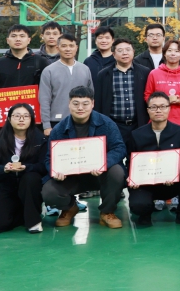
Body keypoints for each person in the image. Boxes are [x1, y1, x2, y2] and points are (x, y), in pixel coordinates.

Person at [42, 86, 128, 229]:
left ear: (92, 103)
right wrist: (55, 171)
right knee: (49, 192)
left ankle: (107, 212)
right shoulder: (58, 129)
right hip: (71, 177)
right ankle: (69, 208)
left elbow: (119, 148)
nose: (80, 108)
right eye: (76, 104)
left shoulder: (106, 123)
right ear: (69, 104)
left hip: (99, 174)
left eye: (85, 104)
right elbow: (49, 158)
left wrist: (103, 163)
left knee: (117, 172)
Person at [127, 91, 180, 227]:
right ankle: (145, 213)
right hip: (145, 184)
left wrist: (172, 175)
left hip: (171, 183)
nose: (158, 110)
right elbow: (131, 163)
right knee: (138, 206)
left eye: (163, 106)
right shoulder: (136, 135)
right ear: (148, 110)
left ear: (169, 108)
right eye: (154, 107)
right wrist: (132, 178)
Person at [0, 104, 47, 234]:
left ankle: (33, 221)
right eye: (17, 116)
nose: (21, 119)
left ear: (31, 119)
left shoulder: (40, 139)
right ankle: (21, 213)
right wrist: (4, 169)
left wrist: (27, 167)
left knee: (31, 178)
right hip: (6, 187)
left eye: (26, 116)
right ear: (9, 119)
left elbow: (44, 166)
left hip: (30, 187)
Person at [94, 38, 151, 152]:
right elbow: (98, 103)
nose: (125, 53)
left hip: (138, 124)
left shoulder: (145, 72)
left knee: (137, 156)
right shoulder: (104, 75)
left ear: (133, 52)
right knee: (115, 154)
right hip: (114, 125)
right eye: (120, 50)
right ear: (113, 54)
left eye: (128, 50)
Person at [39, 33, 94, 134]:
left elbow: (91, 96)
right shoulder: (49, 71)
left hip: (83, 120)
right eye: (64, 46)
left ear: (76, 48)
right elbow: (44, 99)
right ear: (58, 48)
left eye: (71, 46)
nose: (68, 49)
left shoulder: (85, 69)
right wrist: (46, 125)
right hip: (57, 121)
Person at [144, 40, 180, 132]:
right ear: (164, 53)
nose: (173, 54)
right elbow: (147, 95)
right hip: (157, 120)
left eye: (177, 51)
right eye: (169, 50)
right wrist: (162, 102)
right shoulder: (154, 73)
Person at [0, 24, 50, 91]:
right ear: (7, 40)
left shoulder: (40, 61)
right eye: (13, 36)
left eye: (22, 36)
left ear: (29, 40)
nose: (18, 39)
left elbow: (48, 88)